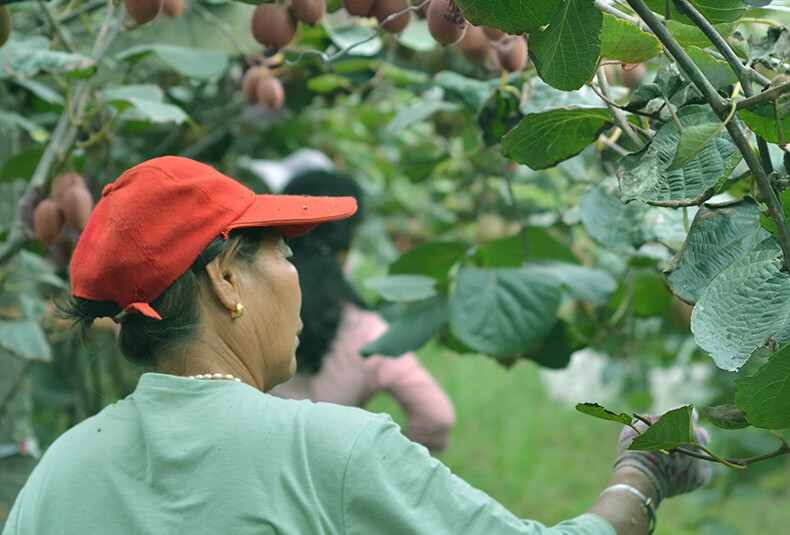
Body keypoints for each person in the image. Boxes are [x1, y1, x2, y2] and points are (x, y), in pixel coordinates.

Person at [2, 156, 710, 535]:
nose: (299, 276)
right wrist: (640, 476)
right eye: (282, 251)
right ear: (224, 277)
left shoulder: (59, 474)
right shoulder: (334, 453)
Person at [269, 169, 456, 452]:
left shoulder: (241, 305)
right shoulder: (367, 331)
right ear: (349, 243)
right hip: (327, 486)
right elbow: (437, 416)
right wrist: (377, 466)